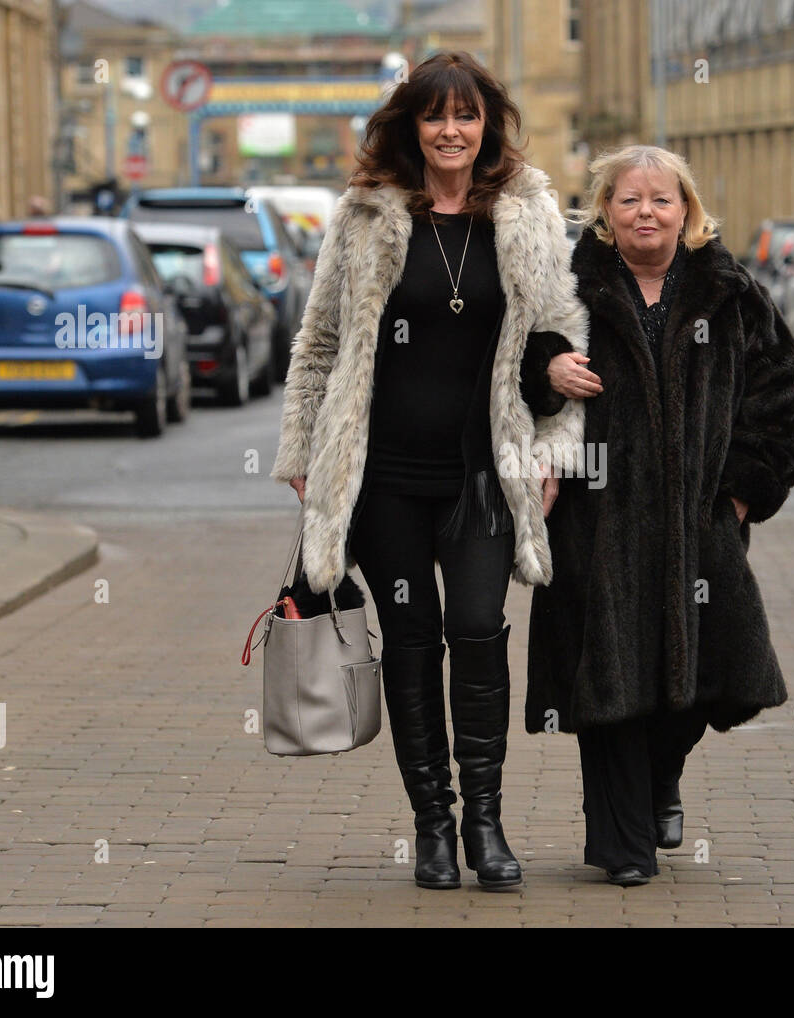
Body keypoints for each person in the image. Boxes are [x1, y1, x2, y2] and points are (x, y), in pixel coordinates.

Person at [271, 52, 587, 891]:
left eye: (468, 116)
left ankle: (487, 822)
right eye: (435, 116)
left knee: (478, 632)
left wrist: (553, 449)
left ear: (489, 125)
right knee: (412, 641)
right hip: (385, 481)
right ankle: (433, 827)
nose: (452, 131)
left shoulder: (526, 213)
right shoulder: (366, 214)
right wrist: (306, 456)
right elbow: (321, 343)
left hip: (483, 474)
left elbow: (557, 337)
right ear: (411, 125)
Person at [527, 145, 794, 886]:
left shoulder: (731, 293)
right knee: (608, 683)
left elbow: (779, 399)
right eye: (629, 200)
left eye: (662, 199)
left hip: (700, 527)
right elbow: (510, 365)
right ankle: (623, 847)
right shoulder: (569, 290)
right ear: (604, 212)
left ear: (687, 210)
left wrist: (743, 494)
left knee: (709, 677)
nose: (646, 213)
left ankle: (663, 778)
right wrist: (547, 370)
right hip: (594, 523)